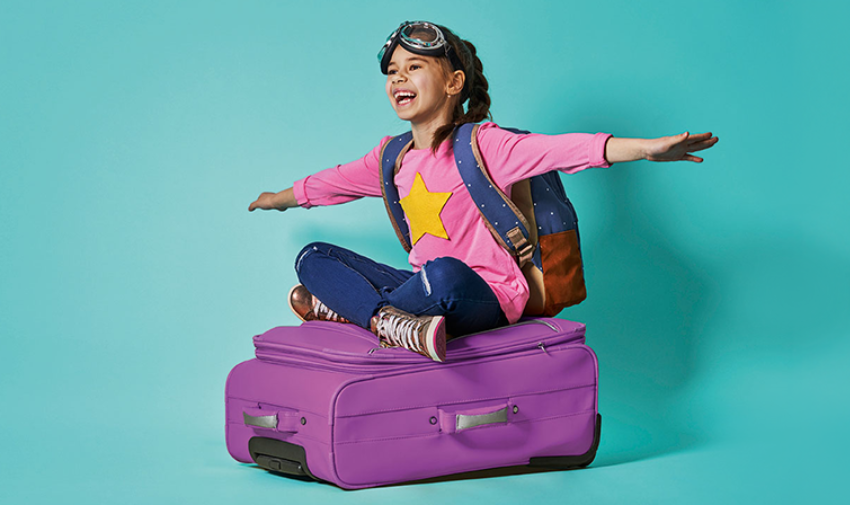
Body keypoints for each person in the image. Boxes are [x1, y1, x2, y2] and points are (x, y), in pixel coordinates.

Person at [249, 21, 718, 362]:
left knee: (445, 276)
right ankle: (386, 322)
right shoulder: (391, 156)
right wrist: (280, 197)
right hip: (420, 291)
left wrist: (647, 149)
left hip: (482, 293)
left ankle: (356, 311)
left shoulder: (484, 144)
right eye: (392, 71)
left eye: (414, 67)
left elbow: (564, 150)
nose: (398, 78)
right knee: (313, 258)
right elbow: (334, 182)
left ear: (454, 83)